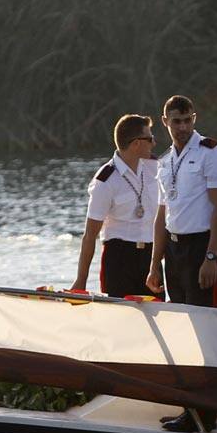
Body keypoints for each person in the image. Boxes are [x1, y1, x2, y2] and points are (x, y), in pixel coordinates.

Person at [146, 94, 217, 433]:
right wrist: (155, 264)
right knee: (183, 331)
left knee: (204, 333)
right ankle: (190, 409)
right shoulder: (166, 160)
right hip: (175, 250)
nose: (182, 127)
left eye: (187, 120)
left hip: (202, 247)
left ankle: (205, 414)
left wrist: (211, 256)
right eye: (175, 121)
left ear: (194, 119)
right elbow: (162, 214)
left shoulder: (213, 154)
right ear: (165, 121)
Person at [71, 114, 161, 298]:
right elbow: (90, 235)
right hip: (119, 259)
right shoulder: (105, 180)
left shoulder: (155, 167)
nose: (154, 143)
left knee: (160, 318)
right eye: (150, 138)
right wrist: (81, 280)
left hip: (151, 259)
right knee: (120, 321)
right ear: (136, 143)